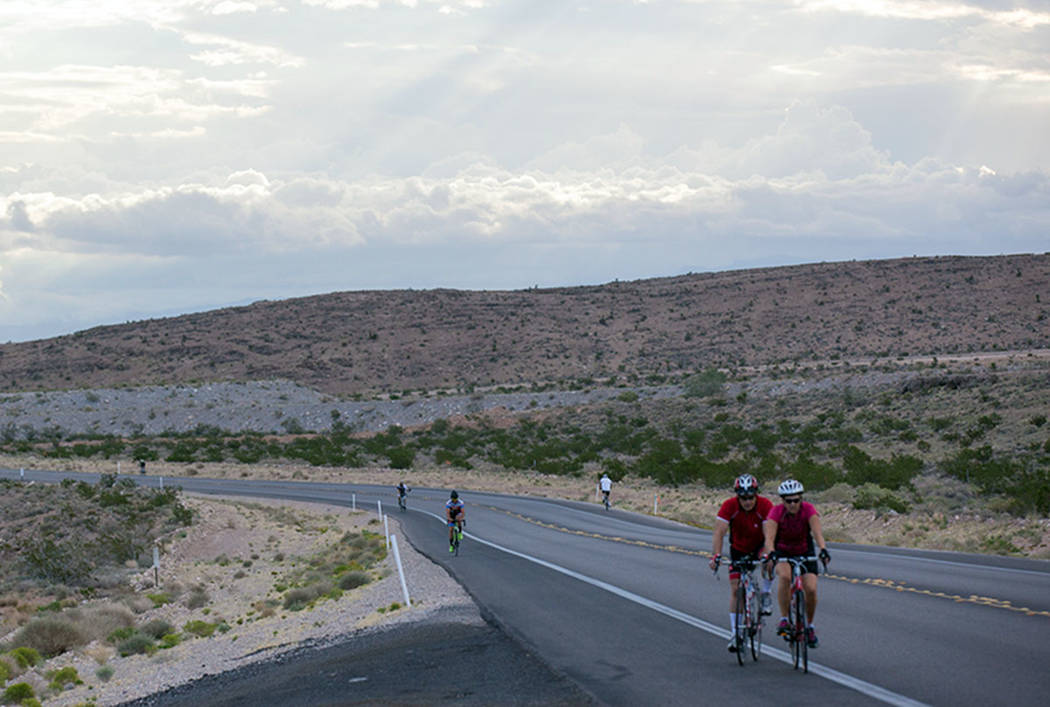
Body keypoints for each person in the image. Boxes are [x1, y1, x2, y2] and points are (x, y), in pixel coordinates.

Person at [761, 479, 831, 649]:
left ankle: (810, 626)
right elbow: (769, 539)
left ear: (801, 499)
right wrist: (771, 552)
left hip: (804, 551)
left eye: (796, 500)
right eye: (788, 501)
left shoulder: (808, 510)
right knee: (785, 576)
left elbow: (817, 533)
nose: (792, 504)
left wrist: (823, 549)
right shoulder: (776, 512)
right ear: (782, 501)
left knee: (811, 589)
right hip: (782, 551)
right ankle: (784, 618)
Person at [708, 474, 774, 652]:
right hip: (739, 548)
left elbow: (769, 534)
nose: (747, 501)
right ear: (737, 496)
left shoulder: (765, 505)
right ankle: (735, 633)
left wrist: (768, 554)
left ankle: (766, 594)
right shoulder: (729, 506)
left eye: (751, 497)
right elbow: (719, 532)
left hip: (760, 545)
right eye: (743, 498)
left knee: (769, 562)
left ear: (756, 494)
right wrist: (716, 555)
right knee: (736, 590)